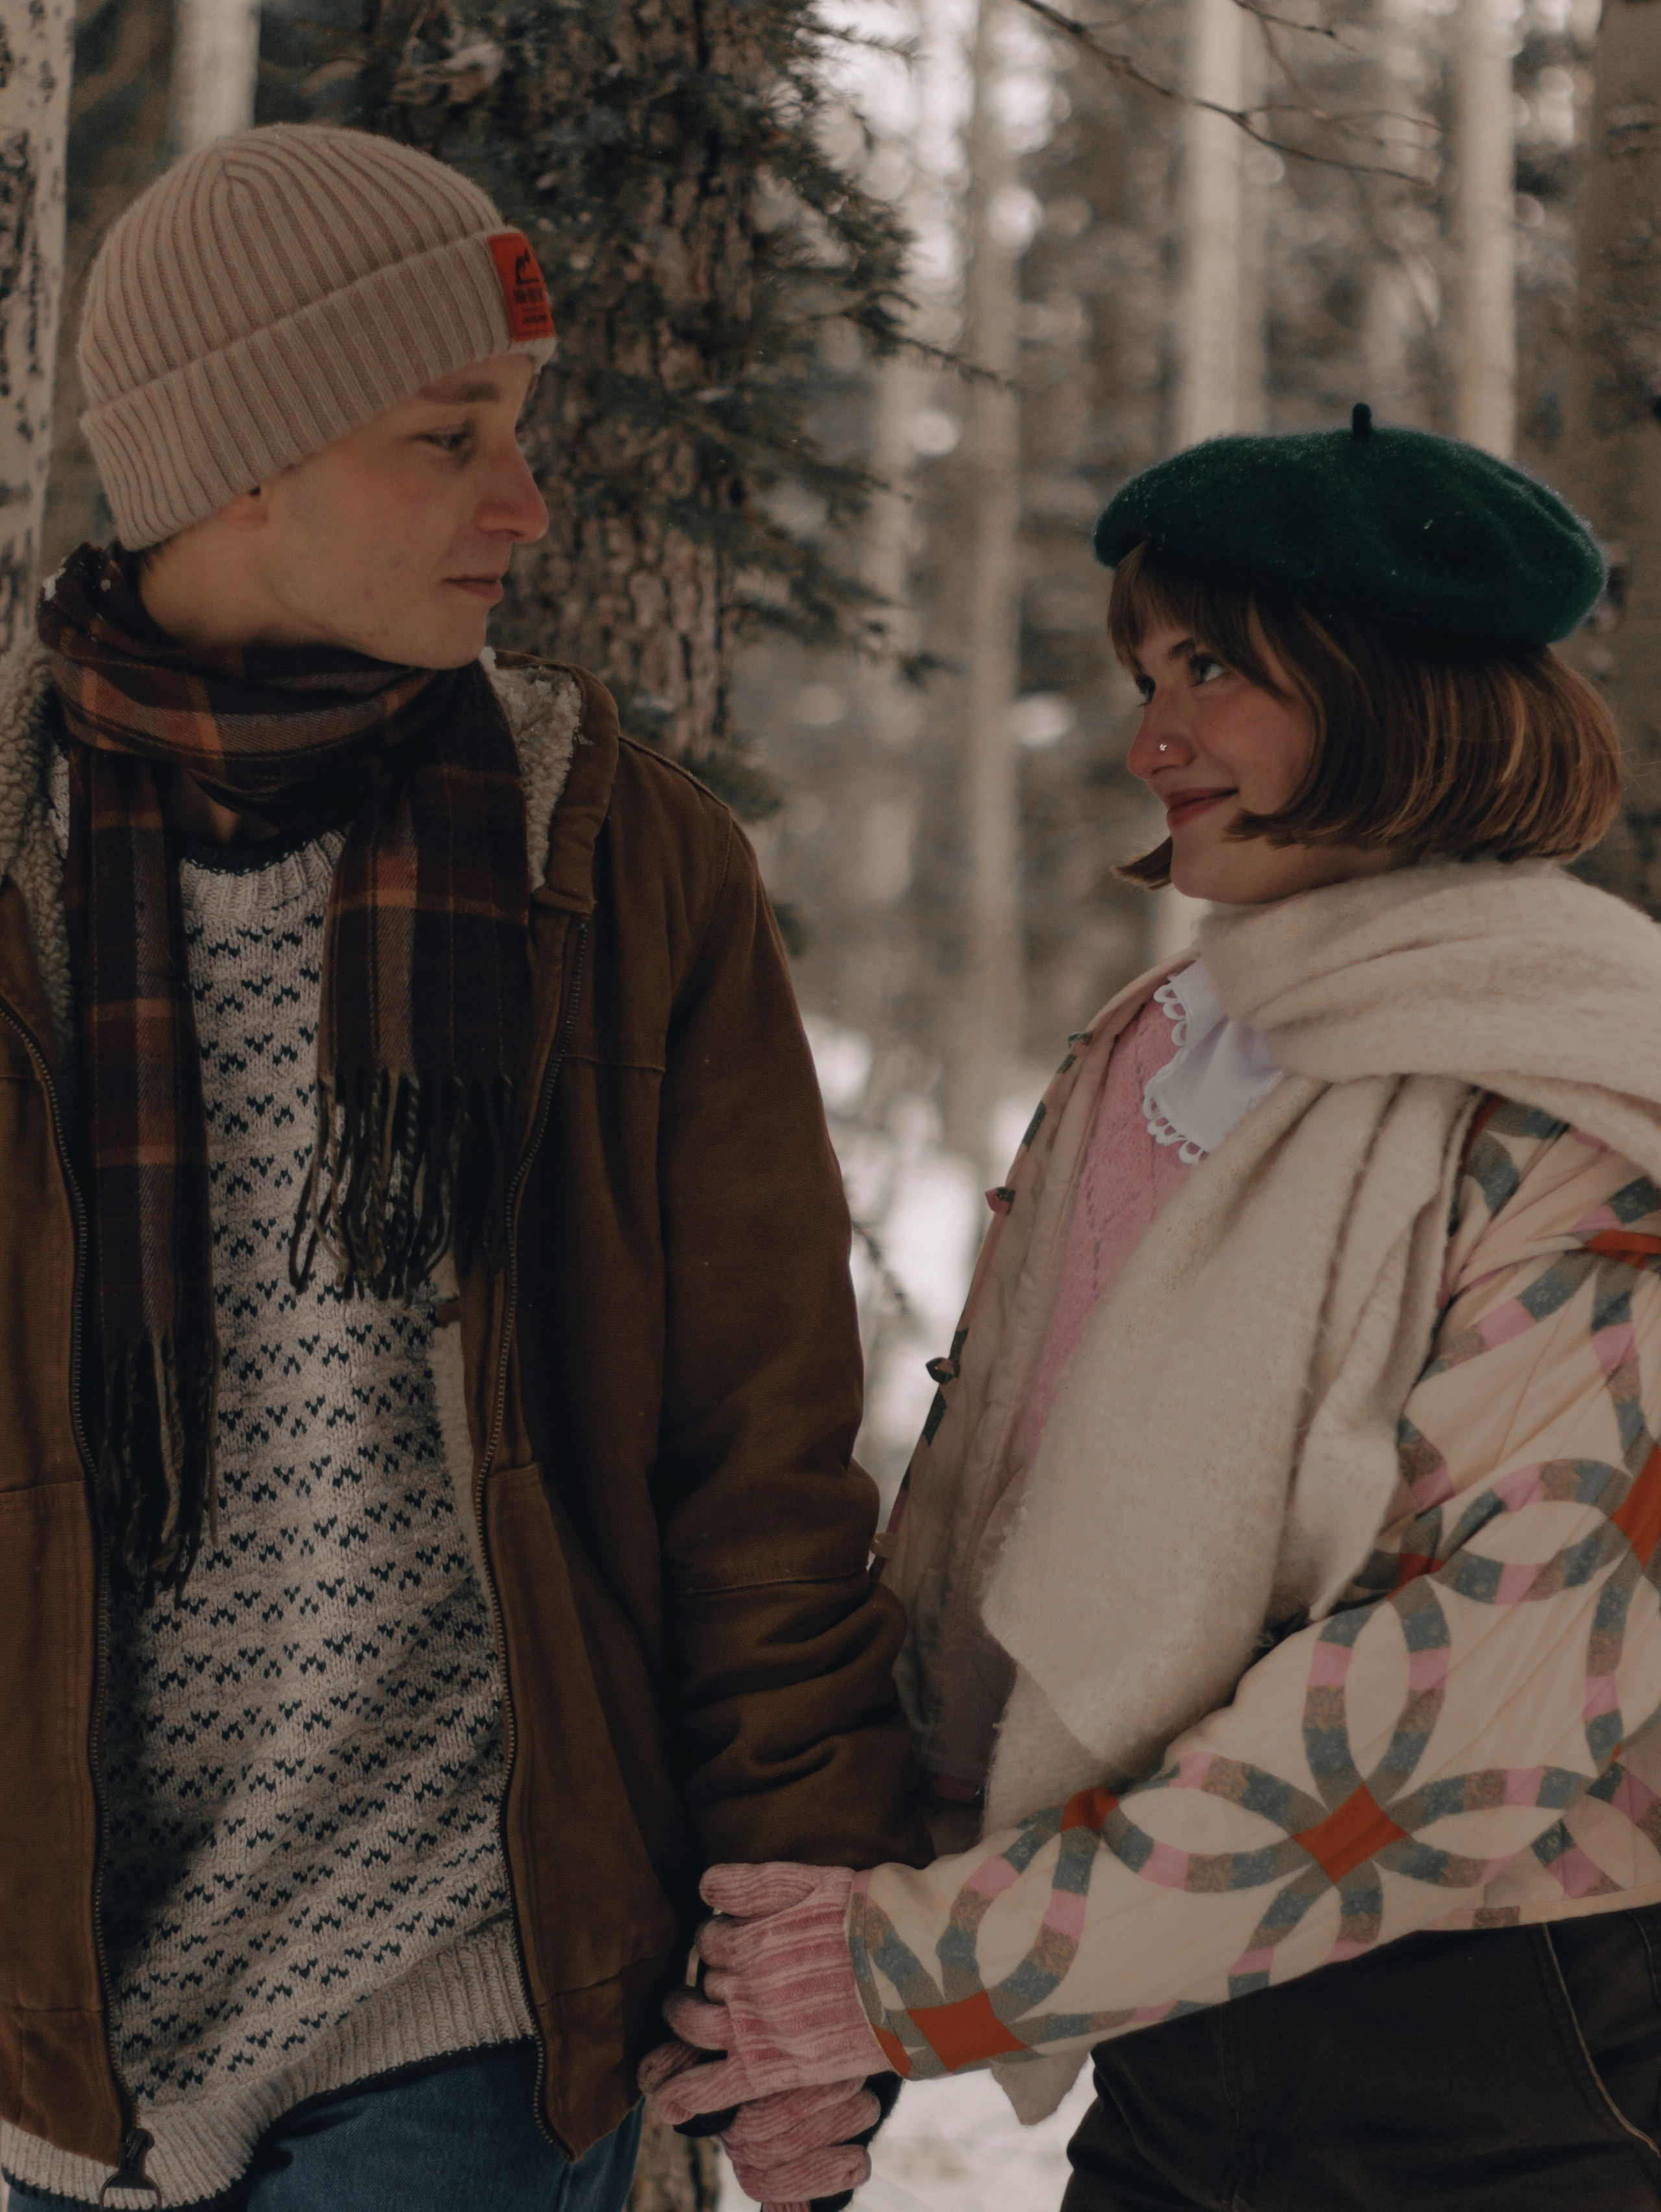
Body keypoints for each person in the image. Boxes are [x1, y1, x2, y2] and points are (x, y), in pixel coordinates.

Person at [0, 123, 928, 2212]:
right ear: (248, 453)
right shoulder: (10, 870)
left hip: (462, 1992)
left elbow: (758, 1446)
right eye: (450, 436)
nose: (524, 505)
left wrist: (809, 1917)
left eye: (522, 428)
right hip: (44, 2019)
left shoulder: (615, 853)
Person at [644, 409, 1661, 2211]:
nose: (1149, 736)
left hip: (1518, 2039)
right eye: (1142, 671)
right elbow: (992, 1539)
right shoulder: (1158, 1050)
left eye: (1211, 671)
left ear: (1391, 688)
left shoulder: (1584, 1095)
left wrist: (913, 1970)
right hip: (1177, 2019)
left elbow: (1465, 1710)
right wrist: (848, 1930)